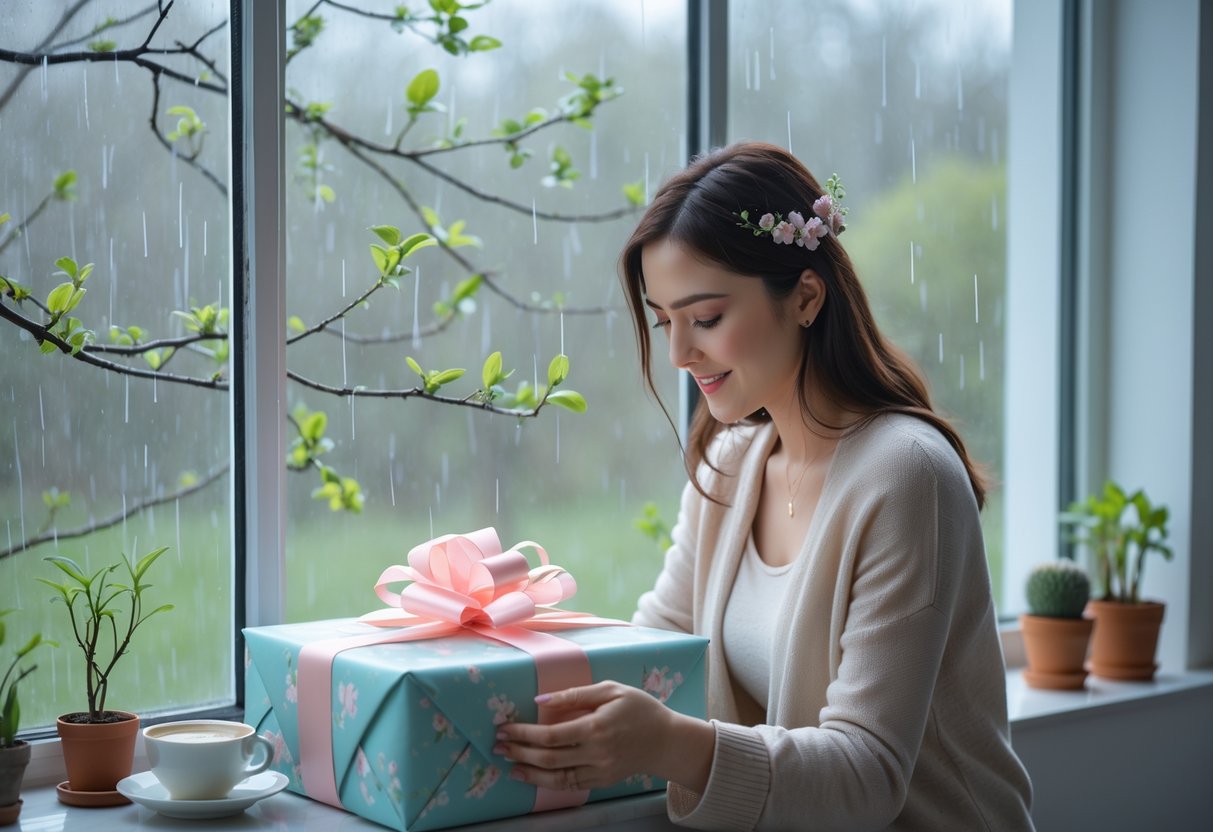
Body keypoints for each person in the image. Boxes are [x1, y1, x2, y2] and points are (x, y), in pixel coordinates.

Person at [493, 141, 1035, 831]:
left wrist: (665, 742)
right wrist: (496, 659)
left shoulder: (906, 476)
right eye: (665, 322)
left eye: (706, 318)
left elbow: (866, 775)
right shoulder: (731, 462)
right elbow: (657, 645)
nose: (679, 354)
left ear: (805, 296)